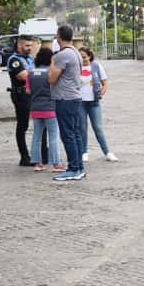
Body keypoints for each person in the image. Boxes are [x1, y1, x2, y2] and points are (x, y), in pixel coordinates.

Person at [48, 24, 86, 181]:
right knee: (75, 134)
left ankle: (73, 168)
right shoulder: (76, 52)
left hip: (65, 99)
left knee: (68, 135)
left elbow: (52, 78)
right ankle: (79, 167)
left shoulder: (62, 55)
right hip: (75, 98)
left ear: (59, 36)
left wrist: (52, 61)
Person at [26, 47, 65, 173]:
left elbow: (28, 91)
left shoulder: (30, 72)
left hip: (35, 109)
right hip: (50, 109)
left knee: (37, 136)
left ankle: (37, 163)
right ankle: (56, 163)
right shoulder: (50, 72)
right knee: (53, 136)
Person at [78, 47, 118, 162]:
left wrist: (102, 93)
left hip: (94, 102)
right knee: (82, 128)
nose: (82, 59)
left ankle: (107, 152)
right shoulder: (76, 67)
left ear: (90, 56)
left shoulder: (96, 66)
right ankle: (84, 152)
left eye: (84, 57)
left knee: (98, 128)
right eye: (80, 57)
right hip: (80, 102)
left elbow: (105, 83)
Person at [7, 35, 36, 167]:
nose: (30, 48)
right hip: (21, 95)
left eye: (31, 45)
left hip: (33, 94)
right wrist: (36, 72)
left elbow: (33, 73)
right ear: (19, 45)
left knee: (42, 123)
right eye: (27, 46)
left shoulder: (30, 59)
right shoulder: (14, 60)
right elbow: (23, 76)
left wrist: (33, 72)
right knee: (23, 125)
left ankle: (43, 153)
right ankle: (24, 157)